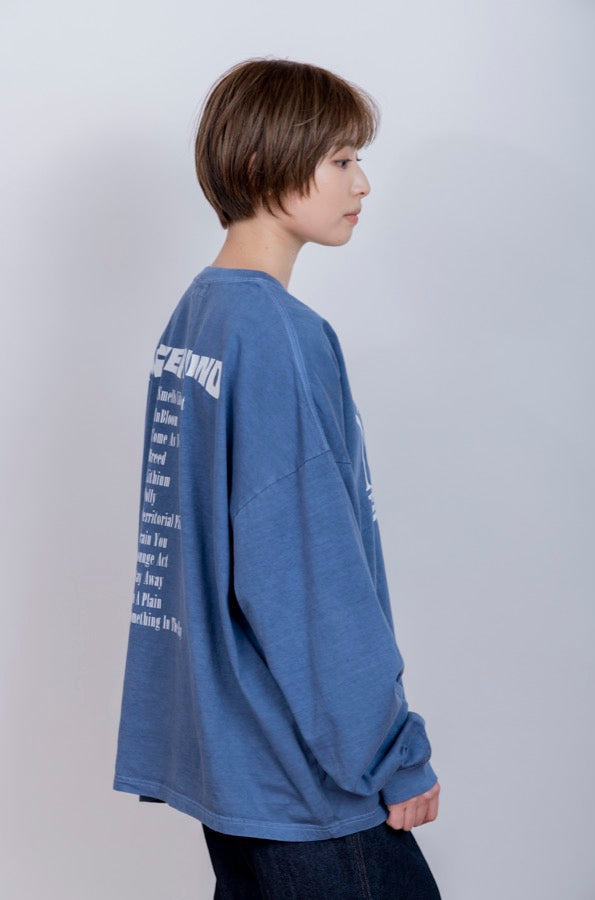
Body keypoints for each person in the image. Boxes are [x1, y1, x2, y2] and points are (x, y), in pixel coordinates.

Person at [112, 57, 442, 898]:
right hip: (307, 780)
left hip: (233, 769)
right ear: (264, 165)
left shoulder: (197, 316)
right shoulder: (278, 335)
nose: (362, 183)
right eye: (341, 159)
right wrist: (394, 754)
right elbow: (307, 576)